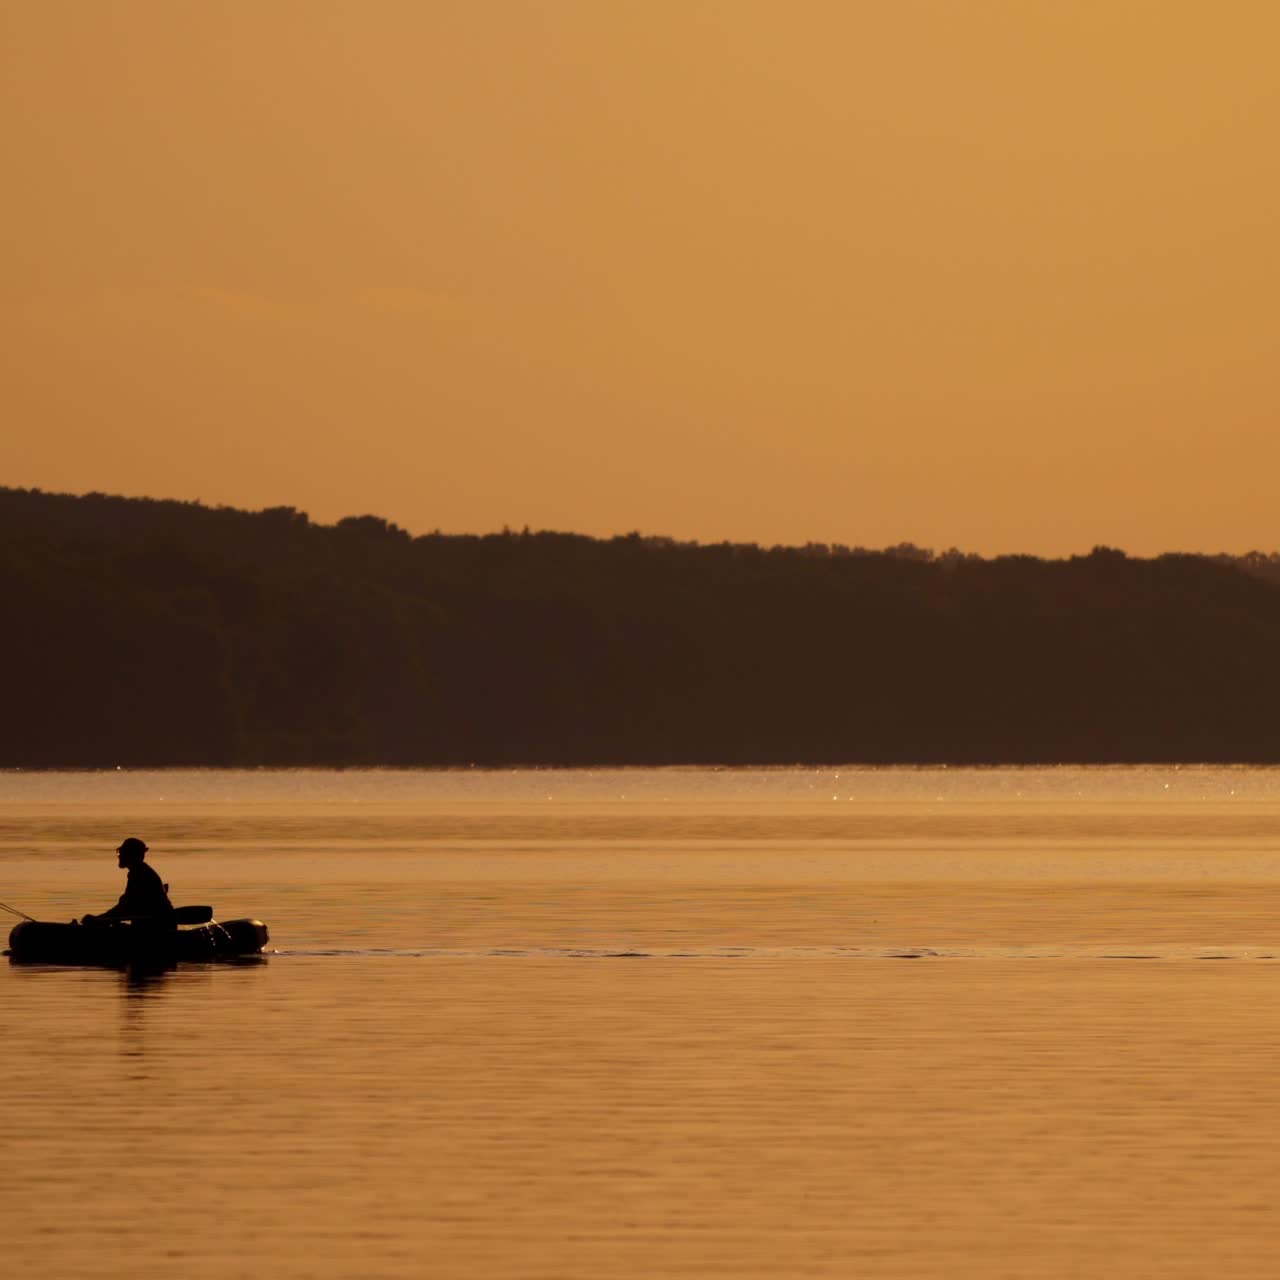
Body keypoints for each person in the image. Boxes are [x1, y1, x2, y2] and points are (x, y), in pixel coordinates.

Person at [81, 837, 175, 927]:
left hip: (156, 928)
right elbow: (127, 906)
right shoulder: (140, 872)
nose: (119, 856)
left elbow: (126, 907)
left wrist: (99, 919)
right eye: (119, 853)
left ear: (131, 855)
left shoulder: (140, 875)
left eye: (121, 853)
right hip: (153, 925)